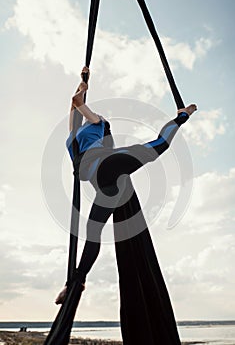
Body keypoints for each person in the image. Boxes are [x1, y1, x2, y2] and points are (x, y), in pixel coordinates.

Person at [55, 67, 197, 304]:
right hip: (106, 186)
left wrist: (83, 88)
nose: (93, 114)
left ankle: (182, 116)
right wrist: (82, 82)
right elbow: (74, 104)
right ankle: (76, 282)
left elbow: (76, 103)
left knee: (157, 147)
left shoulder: (97, 123)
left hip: (106, 166)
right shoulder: (73, 135)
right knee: (93, 233)